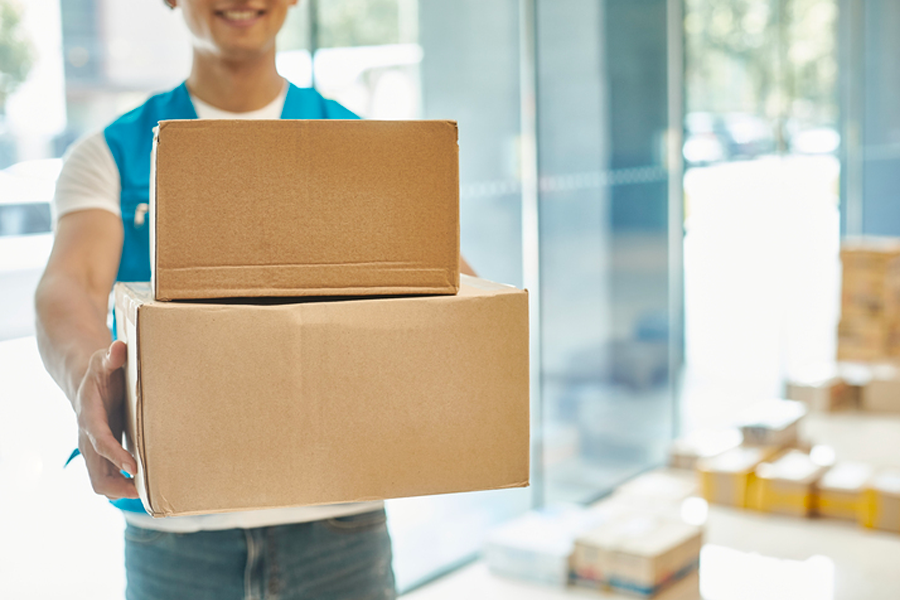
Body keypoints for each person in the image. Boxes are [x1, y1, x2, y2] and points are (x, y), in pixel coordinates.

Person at [35, 1, 474, 597]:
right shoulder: (111, 153)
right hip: (175, 536)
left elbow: (450, 286)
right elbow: (71, 286)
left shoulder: (361, 145)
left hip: (341, 525)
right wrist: (86, 371)